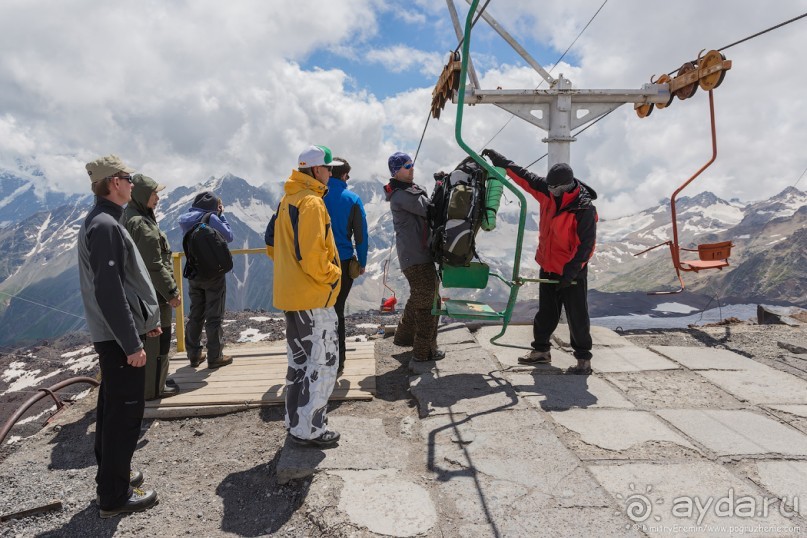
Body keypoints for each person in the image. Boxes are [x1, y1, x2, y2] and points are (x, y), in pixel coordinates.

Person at [78, 154, 161, 517]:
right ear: (113, 182)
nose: (131, 183)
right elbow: (109, 290)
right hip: (117, 339)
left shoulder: (104, 221)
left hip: (116, 334)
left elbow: (123, 285)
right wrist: (132, 342)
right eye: (127, 178)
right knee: (124, 414)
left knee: (112, 409)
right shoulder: (107, 225)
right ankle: (113, 494)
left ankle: (114, 475)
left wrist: (145, 322)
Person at [482, 149, 597, 375]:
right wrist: (501, 160)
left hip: (572, 270)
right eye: (550, 187)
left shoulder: (584, 208)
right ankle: (541, 351)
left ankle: (583, 359)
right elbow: (524, 177)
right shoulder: (546, 190)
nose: (551, 191)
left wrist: (571, 272)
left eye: (555, 188)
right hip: (548, 265)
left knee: (577, 315)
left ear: (567, 186)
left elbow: (587, 246)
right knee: (546, 312)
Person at [265, 145, 343, 448]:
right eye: (327, 168)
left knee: (299, 363)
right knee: (323, 362)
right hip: (313, 297)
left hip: (291, 296)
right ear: (314, 170)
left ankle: (295, 421)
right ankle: (310, 428)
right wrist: (334, 275)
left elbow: (272, 245)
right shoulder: (311, 203)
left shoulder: (288, 199)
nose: (330, 174)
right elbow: (313, 258)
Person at [123, 173, 182, 400]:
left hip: (139, 293)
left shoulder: (130, 216)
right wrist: (171, 293)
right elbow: (154, 265)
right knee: (159, 339)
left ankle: (156, 380)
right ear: (142, 195)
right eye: (154, 193)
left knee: (151, 339)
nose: (158, 197)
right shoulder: (142, 224)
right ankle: (154, 389)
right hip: (154, 296)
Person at [383, 151, 444, 362]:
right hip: (416, 256)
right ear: (396, 171)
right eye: (407, 166)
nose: (412, 168)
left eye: (411, 164)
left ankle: (403, 337)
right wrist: (439, 189)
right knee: (428, 302)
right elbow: (430, 210)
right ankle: (423, 351)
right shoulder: (402, 196)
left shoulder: (407, 191)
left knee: (422, 295)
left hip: (418, 254)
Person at [323, 157, 368, 376]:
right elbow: (361, 236)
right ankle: (338, 362)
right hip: (343, 261)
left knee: (318, 310)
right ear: (343, 175)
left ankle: (318, 358)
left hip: (317, 262)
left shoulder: (314, 196)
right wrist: (362, 263)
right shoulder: (352, 199)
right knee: (337, 311)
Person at [178, 191, 233, 369]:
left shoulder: (185, 219)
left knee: (195, 314)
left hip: (193, 272)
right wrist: (220, 215)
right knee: (214, 315)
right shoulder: (211, 217)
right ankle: (215, 356)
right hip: (213, 274)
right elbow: (229, 236)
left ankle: (194, 355)